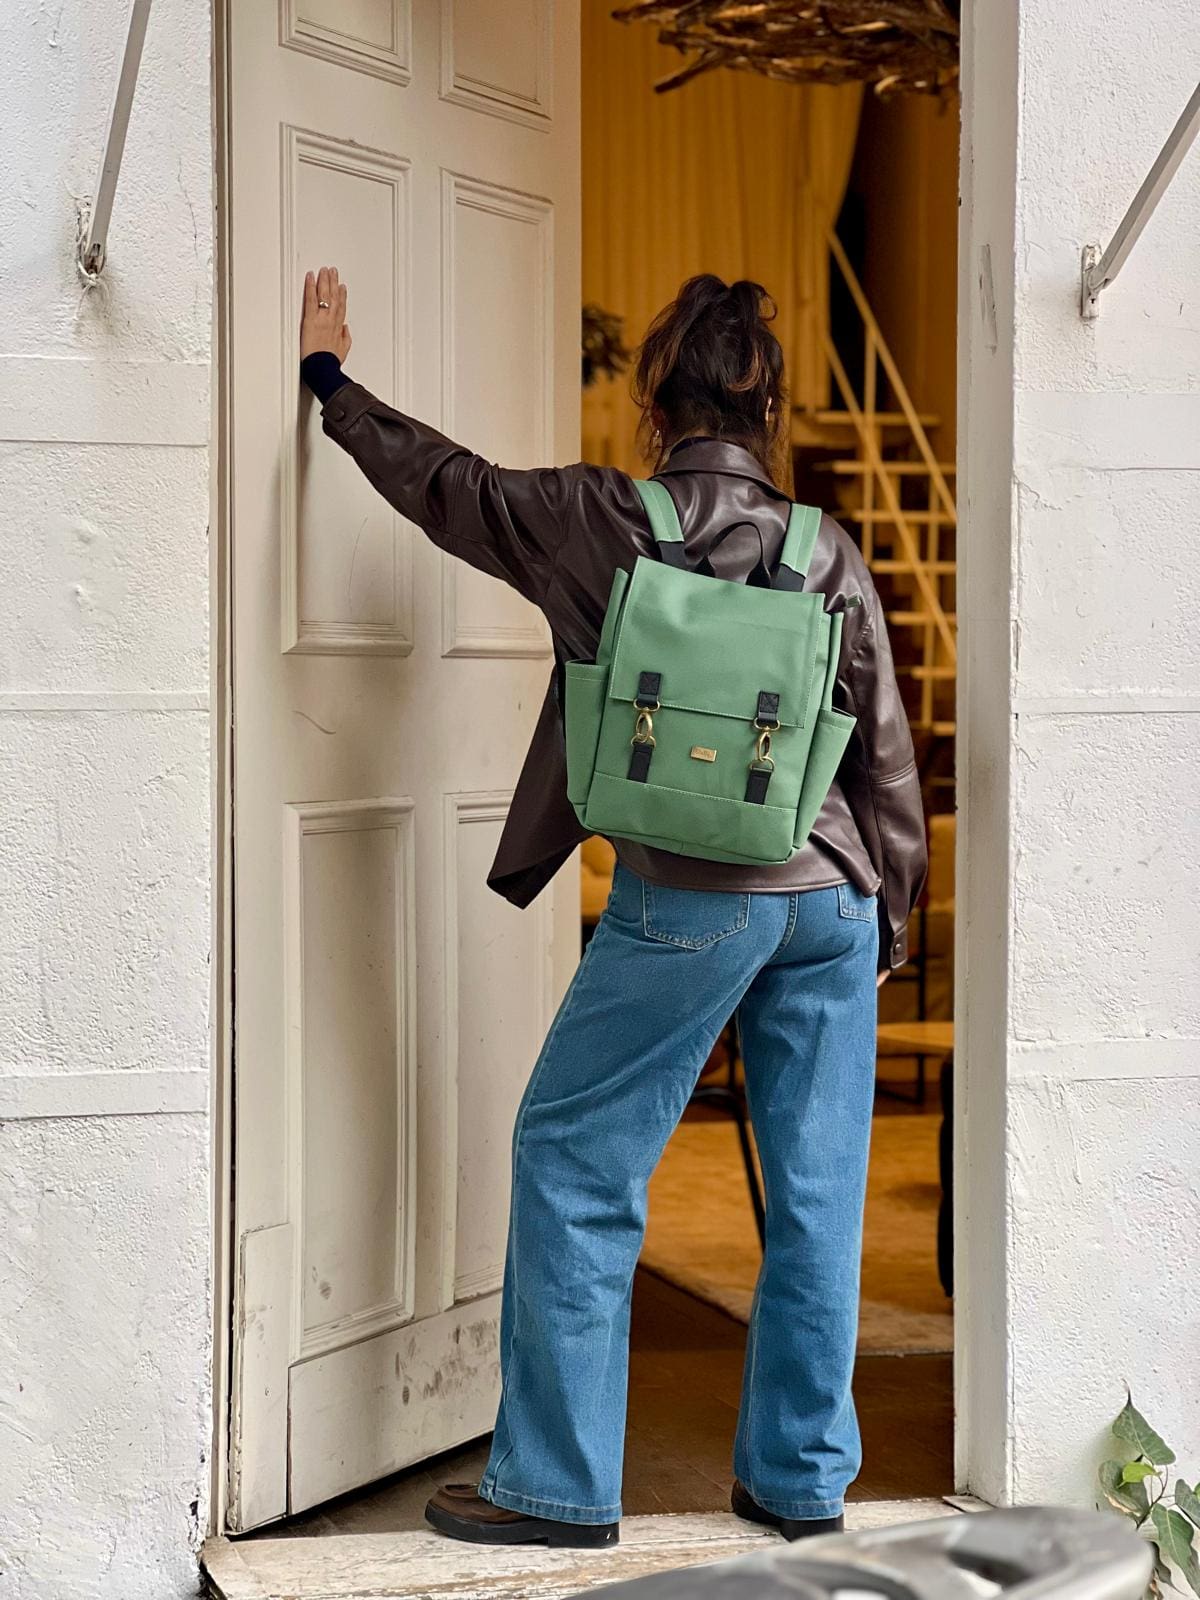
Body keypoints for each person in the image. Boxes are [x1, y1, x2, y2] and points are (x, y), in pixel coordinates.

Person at [299, 266, 927, 1550]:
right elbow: (888, 751)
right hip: (832, 898)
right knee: (817, 1196)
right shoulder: (826, 550)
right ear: (767, 410)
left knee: (575, 1156)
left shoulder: (601, 518)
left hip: (694, 896)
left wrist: (330, 387)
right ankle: (800, 1483)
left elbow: (453, 488)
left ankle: (557, 1484)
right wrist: (893, 916)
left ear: (657, 401)